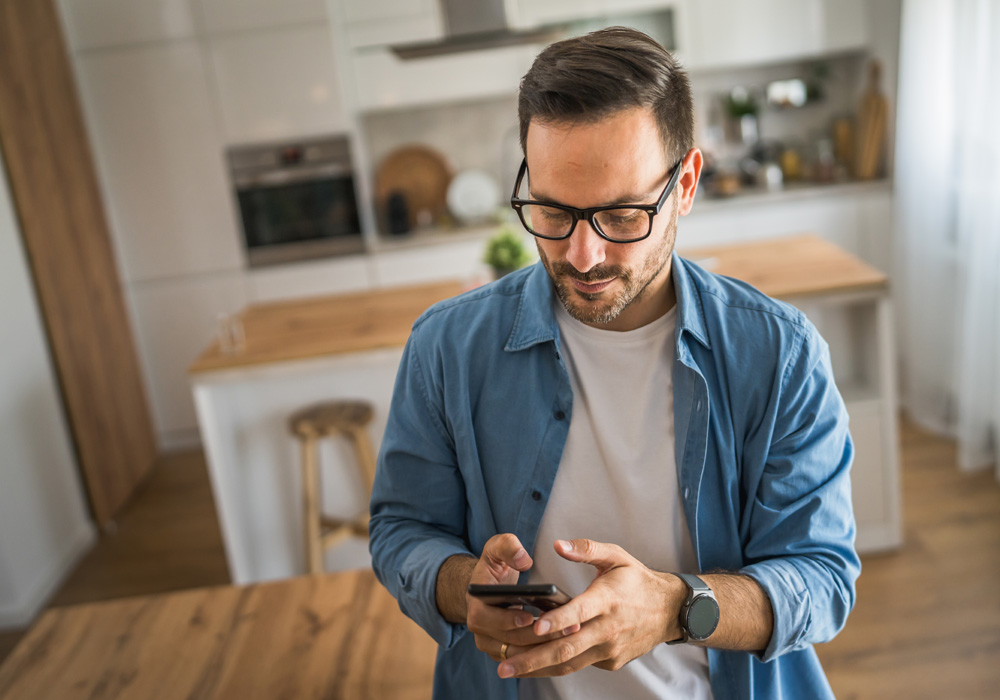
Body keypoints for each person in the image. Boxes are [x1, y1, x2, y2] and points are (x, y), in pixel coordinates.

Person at [369, 26, 859, 700]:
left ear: (685, 184)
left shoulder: (779, 355)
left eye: (623, 216)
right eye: (551, 212)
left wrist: (674, 608)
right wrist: (464, 590)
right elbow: (402, 530)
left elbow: (824, 578)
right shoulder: (445, 349)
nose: (582, 255)